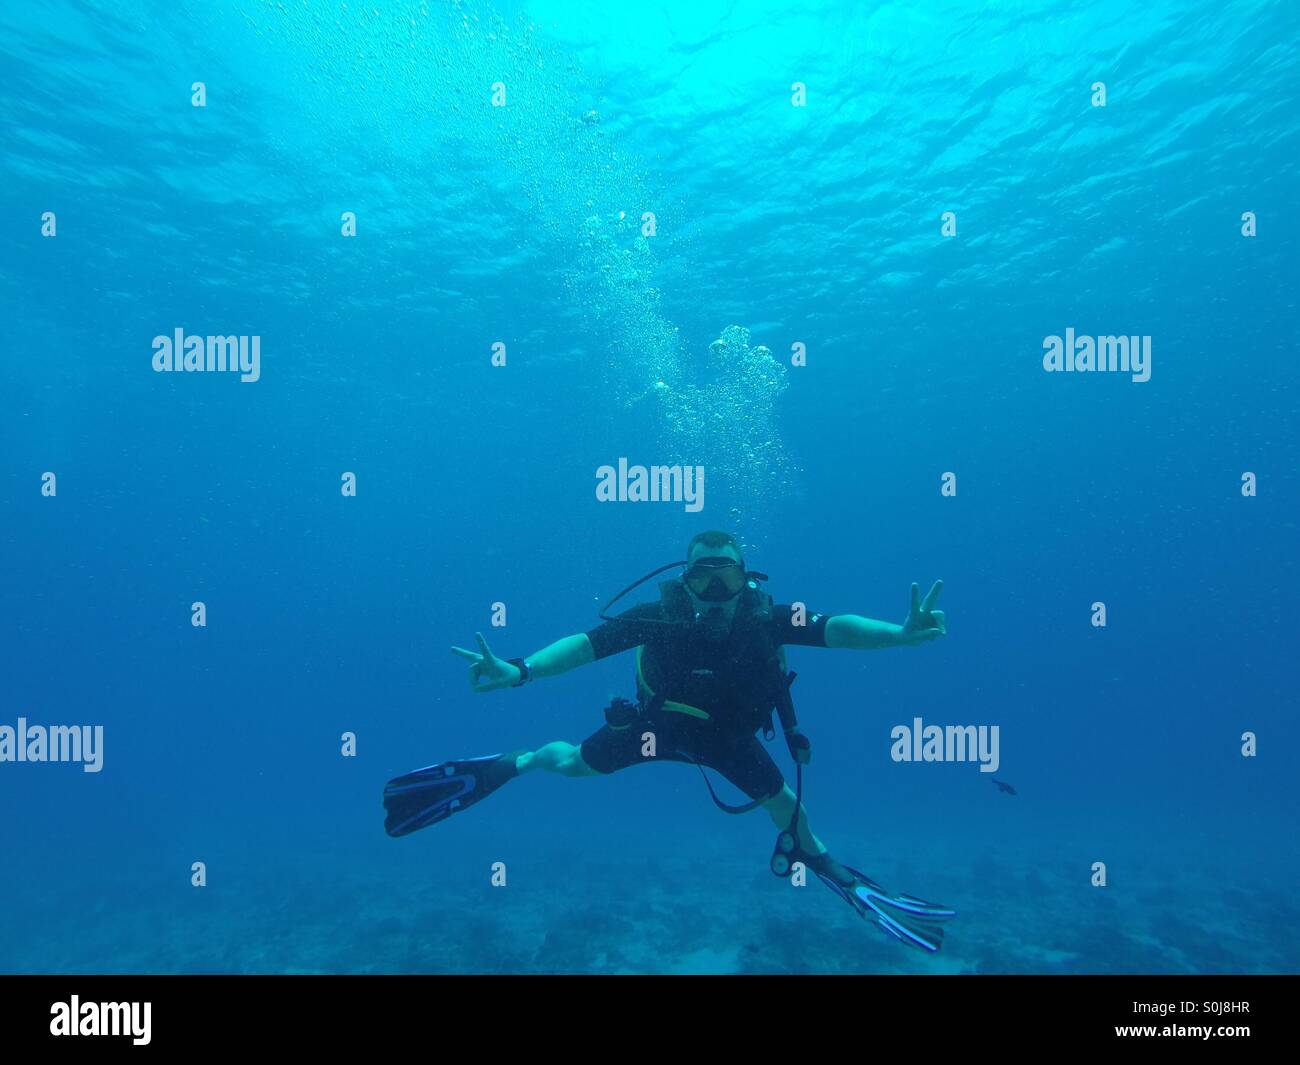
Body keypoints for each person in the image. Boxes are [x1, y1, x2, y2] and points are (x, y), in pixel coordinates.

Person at [383, 531, 955, 951]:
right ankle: (520, 761)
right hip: (658, 728)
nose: (713, 590)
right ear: (685, 581)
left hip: (728, 739)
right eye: (701, 576)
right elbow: (587, 644)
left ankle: (827, 864)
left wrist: (900, 636)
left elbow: (833, 627)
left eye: (726, 577)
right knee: (574, 765)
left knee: (789, 808)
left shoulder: (769, 617)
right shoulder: (656, 617)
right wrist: (520, 669)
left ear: (745, 580)